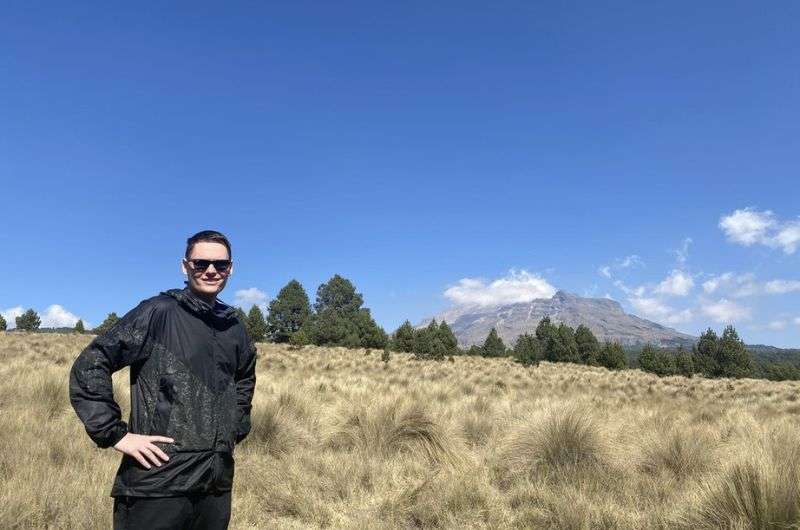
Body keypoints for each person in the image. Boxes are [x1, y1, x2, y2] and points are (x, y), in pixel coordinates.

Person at [69, 230, 257, 530]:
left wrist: (234, 429)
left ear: (230, 268)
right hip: (158, 483)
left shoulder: (234, 327)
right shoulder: (158, 312)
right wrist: (116, 434)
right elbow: (93, 363)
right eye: (201, 263)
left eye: (220, 265)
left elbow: (245, 378)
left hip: (215, 484)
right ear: (185, 266)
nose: (211, 271)